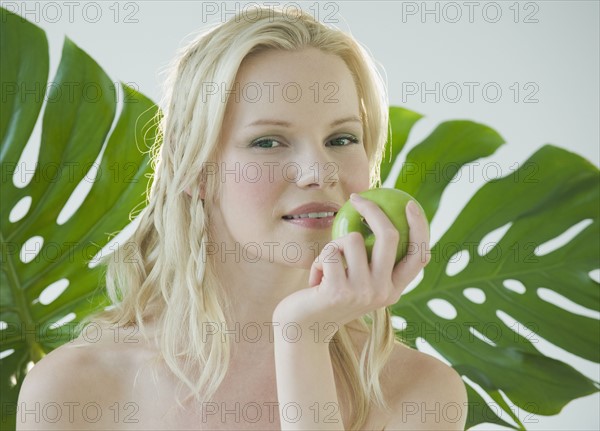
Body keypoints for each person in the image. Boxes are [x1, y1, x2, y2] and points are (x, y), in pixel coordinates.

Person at [17, 5, 467, 430]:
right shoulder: (75, 390)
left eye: (342, 138)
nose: (318, 172)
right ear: (194, 168)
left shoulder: (418, 392)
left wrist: (302, 339)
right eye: (268, 142)